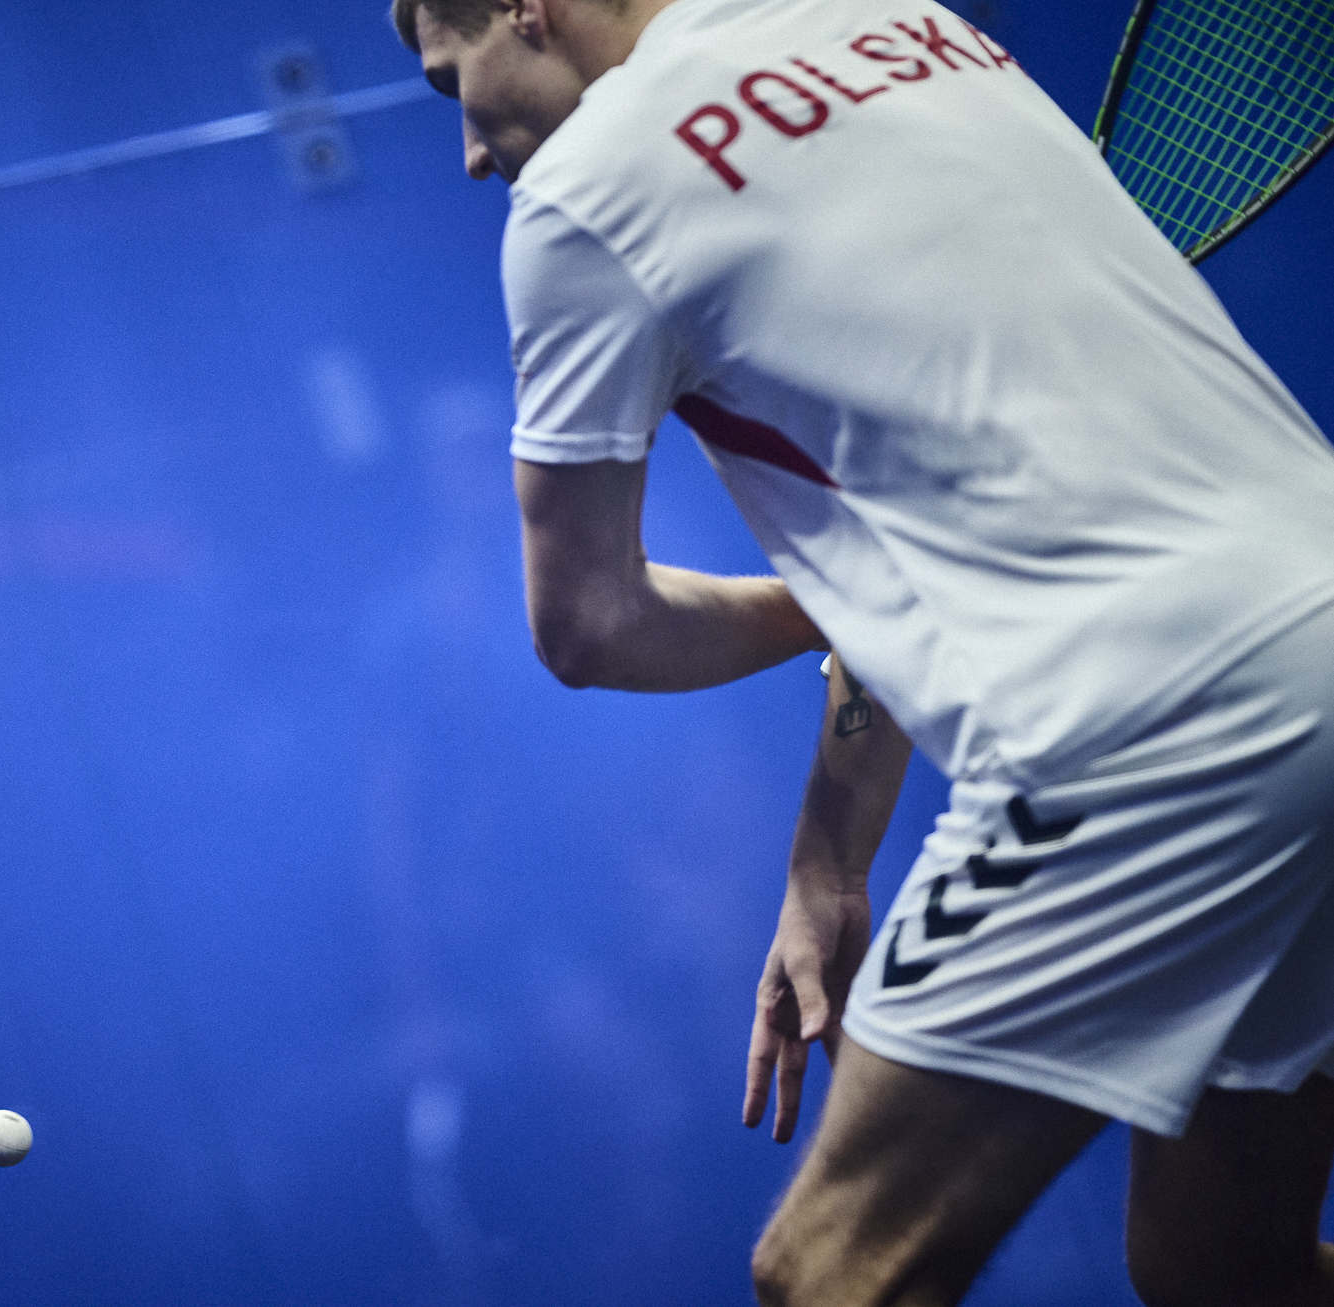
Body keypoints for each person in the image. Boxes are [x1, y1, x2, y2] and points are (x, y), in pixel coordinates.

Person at [389, 0, 1334, 1302]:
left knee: (827, 1274)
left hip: (1144, 724)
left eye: (454, 85)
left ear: (522, 8)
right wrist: (829, 857)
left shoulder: (586, 193)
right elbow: (941, 517)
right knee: (1221, 1272)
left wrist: (826, 603)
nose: (469, 154)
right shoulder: (902, 23)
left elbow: (588, 626)